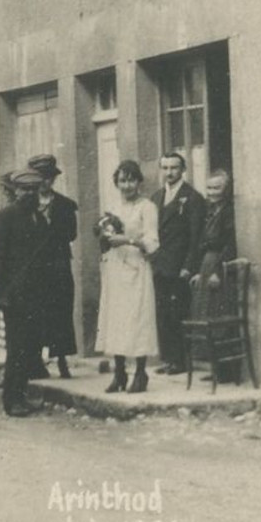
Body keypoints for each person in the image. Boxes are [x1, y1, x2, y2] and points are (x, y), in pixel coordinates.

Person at [0, 169, 56, 418]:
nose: (30, 194)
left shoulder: (39, 218)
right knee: (17, 348)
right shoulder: (5, 218)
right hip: (14, 296)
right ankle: (11, 399)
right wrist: (0, 293)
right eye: (25, 190)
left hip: (36, 296)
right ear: (15, 191)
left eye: (34, 190)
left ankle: (22, 394)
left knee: (30, 347)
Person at [96, 159, 159, 394]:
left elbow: (152, 243)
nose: (127, 185)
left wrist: (129, 240)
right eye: (122, 180)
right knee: (117, 320)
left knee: (137, 319)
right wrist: (104, 239)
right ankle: (119, 372)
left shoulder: (147, 207)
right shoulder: (113, 207)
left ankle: (140, 373)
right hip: (115, 270)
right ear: (116, 183)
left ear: (139, 182)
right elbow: (105, 235)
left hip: (136, 268)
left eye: (131, 180)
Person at [151, 152, 205, 376]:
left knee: (177, 311)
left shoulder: (192, 198)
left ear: (183, 170)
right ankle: (168, 359)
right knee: (162, 312)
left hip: (179, 265)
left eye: (174, 168)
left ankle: (181, 361)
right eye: (165, 168)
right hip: (160, 265)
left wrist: (188, 266)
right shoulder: (156, 197)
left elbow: (196, 236)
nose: (169, 172)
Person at [28, 154, 79, 379]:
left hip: (58, 265)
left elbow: (71, 234)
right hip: (35, 267)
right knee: (36, 311)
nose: (45, 182)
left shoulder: (66, 205)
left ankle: (62, 360)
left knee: (61, 311)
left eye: (49, 177)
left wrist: (51, 232)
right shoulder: (26, 206)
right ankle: (37, 360)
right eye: (41, 177)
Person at [187, 169, 240, 379]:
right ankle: (216, 367)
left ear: (226, 190)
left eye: (217, 188)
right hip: (207, 264)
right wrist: (201, 272)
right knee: (206, 313)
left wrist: (218, 271)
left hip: (219, 266)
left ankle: (227, 370)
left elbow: (230, 243)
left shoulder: (228, 212)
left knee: (220, 314)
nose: (212, 192)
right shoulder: (210, 211)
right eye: (209, 188)